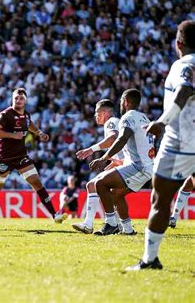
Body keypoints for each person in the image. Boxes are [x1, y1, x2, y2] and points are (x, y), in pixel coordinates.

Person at [127, 20, 195, 270]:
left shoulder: (183, 64)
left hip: (181, 143)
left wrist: (161, 122)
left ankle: (149, 259)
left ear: (178, 44)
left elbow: (185, 89)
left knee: (160, 199)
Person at [0, 88, 66, 223]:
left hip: (20, 156)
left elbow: (29, 124)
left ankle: (54, 215)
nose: (18, 100)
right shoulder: (5, 115)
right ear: (12, 99)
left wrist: (39, 133)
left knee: (36, 182)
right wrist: (12, 135)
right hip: (4, 157)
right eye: (16, 98)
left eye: (21, 98)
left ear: (25, 101)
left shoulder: (26, 115)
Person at [90, 88, 154, 235]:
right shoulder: (144, 118)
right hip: (148, 166)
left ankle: (111, 223)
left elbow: (122, 138)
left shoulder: (128, 117)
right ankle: (128, 229)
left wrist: (103, 158)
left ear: (125, 102)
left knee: (100, 183)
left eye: (120, 101)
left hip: (139, 167)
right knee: (116, 194)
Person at [72, 99, 124, 234]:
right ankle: (118, 224)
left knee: (92, 185)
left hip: (130, 165)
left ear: (104, 112)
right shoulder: (117, 122)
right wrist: (118, 160)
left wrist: (91, 149)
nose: (95, 116)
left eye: (97, 112)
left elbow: (114, 138)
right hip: (126, 163)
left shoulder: (111, 122)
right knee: (108, 191)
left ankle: (90, 224)